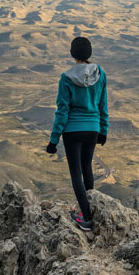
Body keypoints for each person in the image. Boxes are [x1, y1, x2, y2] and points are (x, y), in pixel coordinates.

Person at [47, 36, 108, 231]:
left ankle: (86, 218)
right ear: (89, 53)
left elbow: (62, 110)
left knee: (76, 174)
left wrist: (53, 140)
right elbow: (102, 104)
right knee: (87, 168)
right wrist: (103, 129)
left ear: (73, 54)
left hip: (72, 130)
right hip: (92, 128)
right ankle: (87, 210)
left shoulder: (66, 78)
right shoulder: (100, 74)